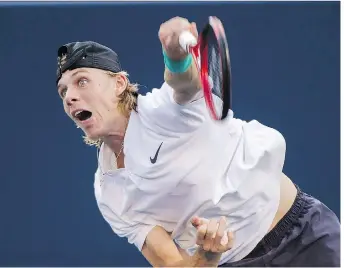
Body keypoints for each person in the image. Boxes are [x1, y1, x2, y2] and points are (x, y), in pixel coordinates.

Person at [56, 17, 340, 267]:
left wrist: (176, 55)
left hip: (305, 237)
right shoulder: (108, 191)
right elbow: (175, 265)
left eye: (81, 81)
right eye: (63, 91)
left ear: (119, 84)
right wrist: (208, 255)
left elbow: (184, 82)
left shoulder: (165, 110)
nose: (69, 97)